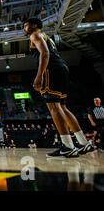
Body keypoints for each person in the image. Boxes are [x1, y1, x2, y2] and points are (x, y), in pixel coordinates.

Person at [23, 18, 93, 158]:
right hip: (61, 69)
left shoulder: (35, 35)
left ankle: (68, 146)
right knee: (62, 107)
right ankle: (83, 143)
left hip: (51, 71)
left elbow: (45, 53)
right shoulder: (46, 36)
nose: (24, 28)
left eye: (26, 25)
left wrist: (39, 75)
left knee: (54, 107)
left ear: (34, 25)